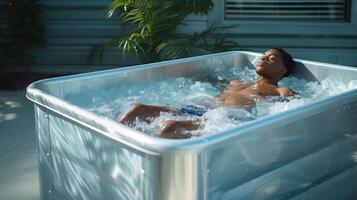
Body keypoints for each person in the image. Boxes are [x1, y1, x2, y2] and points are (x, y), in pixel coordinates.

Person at [117, 48, 295, 139]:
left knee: (169, 126)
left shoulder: (280, 90)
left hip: (223, 120)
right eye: (263, 55)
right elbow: (208, 80)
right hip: (199, 110)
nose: (264, 58)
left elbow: (302, 105)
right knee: (137, 109)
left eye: (271, 58)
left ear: (282, 71)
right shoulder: (237, 82)